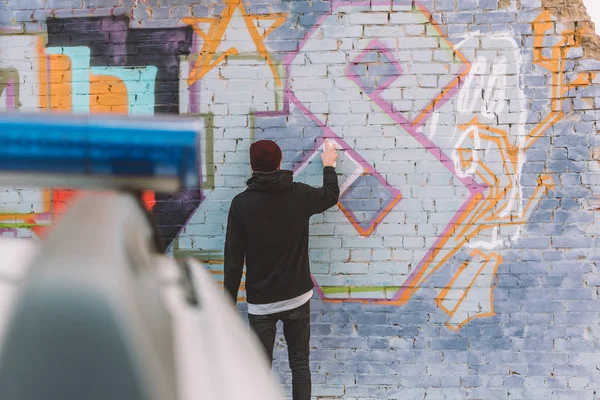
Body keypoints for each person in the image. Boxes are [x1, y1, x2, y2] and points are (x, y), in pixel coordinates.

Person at [223, 139, 339, 400]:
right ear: (279, 162)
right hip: (297, 297)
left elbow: (233, 260)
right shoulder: (299, 194)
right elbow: (330, 195)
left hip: (261, 304)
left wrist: (227, 303)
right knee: (300, 365)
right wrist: (329, 165)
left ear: (253, 167)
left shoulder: (241, 204)